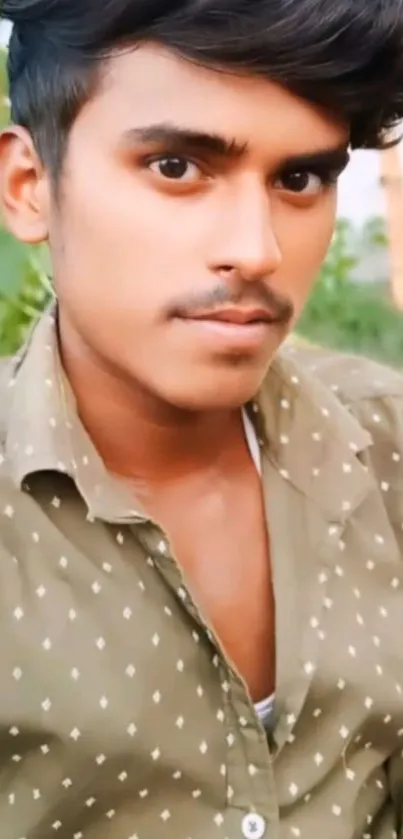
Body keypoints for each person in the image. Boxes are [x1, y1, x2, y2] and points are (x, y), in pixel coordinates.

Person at [0, 1, 403, 837]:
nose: (255, 249)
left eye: (300, 179)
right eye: (177, 167)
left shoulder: (387, 448)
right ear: (28, 185)